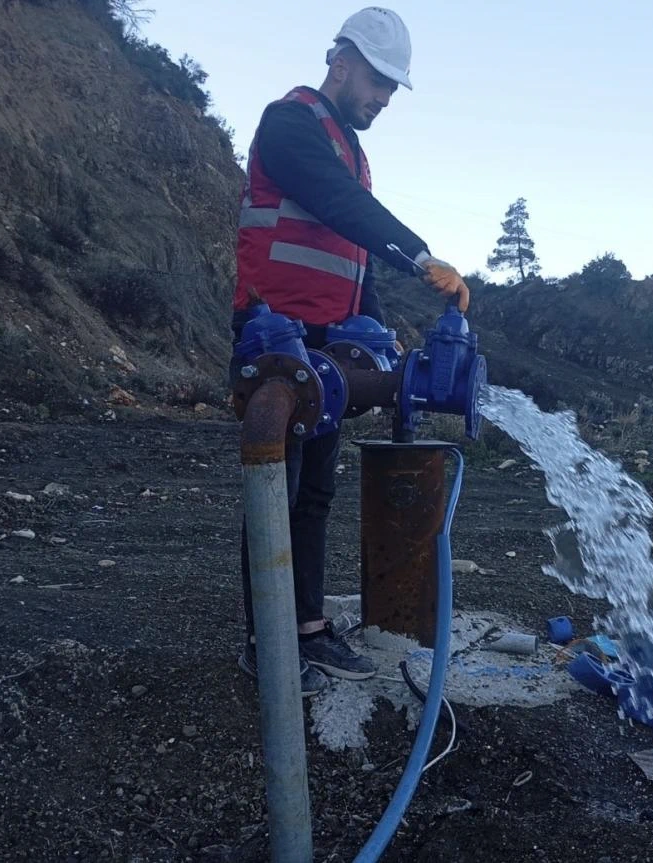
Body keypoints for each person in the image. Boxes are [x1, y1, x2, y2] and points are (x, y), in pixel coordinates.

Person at [231, 7, 470, 694]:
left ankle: (306, 629)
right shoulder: (290, 126)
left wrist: (378, 330)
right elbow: (339, 207)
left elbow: (350, 257)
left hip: (328, 347)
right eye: (379, 82)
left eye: (394, 87)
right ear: (341, 64)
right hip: (273, 335)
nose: (386, 97)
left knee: (312, 493)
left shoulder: (352, 149)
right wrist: (419, 254)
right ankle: (264, 642)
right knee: (273, 486)